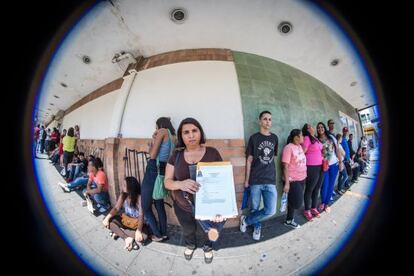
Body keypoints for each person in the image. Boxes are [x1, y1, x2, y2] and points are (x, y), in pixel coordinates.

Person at [164, 118, 226, 263]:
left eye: (194, 131)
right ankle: (190, 245)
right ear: (181, 136)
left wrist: (221, 208)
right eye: (186, 132)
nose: (191, 135)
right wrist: (180, 184)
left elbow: (222, 180)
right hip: (183, 206)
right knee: (188, 229)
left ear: (200, 132)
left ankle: (208, 247)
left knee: (209, 230)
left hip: (209, 207)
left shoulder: (212, 152)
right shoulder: (176, 155)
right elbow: (167, 182)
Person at [240, 111, 278, 240]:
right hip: (255, 179)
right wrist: (246, 180)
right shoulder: (254, 138)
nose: (268, 121)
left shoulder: (274, 138)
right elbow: (249, 160)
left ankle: (246, 220)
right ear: (260, 121)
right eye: (265, 119)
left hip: (270, 180)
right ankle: (256, 226)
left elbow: (273, 158)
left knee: (271, 210)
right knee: (254, 208)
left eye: (270, 119)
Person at [141, 117, 176, 242]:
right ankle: (163, 233)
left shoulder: (162, 131)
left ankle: (158, 234)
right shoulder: (173, 136)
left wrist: (153, 140)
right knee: (159, 203)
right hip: (163, 170)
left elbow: (152, 155)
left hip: (153, 169)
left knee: (145, 206)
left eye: (156, 126)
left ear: (159, 124)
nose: (155, 129)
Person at [102, 177, 149, 251]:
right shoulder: (123, 195)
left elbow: (141, 215)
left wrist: (139, 231)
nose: (122, 186)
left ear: (131, 187)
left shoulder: (139, 198)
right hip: (126, 220)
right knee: (106, 219)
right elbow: (116, 208)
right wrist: (107, 218)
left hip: (137, 224)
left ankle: (118, 232)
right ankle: (127, 238)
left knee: (144, 237)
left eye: (124, 184)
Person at [282, 129, 306, 228]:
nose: (303, 137)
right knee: (297, 203)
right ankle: (289, 219)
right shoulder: (288, 148)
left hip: (302, 178)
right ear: (296, 137)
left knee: (293, 202)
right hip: (293, 180)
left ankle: (289, 220)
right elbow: (285, 166)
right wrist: (287, 183)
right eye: (302, 136)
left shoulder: (299, 146)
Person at [317, 122, 341, 213]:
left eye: (322, 127)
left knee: (331, 185)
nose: (320, 129)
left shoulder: (331, 137)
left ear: (324, 128)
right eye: (318, 127)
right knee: (324, 185)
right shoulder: (316, 140)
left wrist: (341, 162)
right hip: (324, 166)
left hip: (334, 164)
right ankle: (322, 202)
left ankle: (326, 204)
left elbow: (337, 150)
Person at [301, 123, 323, 221]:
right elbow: (302, 152)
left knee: (317, 188)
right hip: (311, 167)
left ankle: (313, 208)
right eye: (310, 126)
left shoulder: (316, 138)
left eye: (312, 126)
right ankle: (307, 210)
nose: (312, 127)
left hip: (320, 166)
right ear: (307, 129)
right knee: (309, 189)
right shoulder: (306, 138)